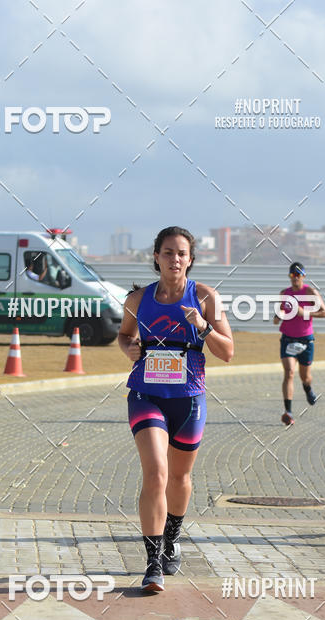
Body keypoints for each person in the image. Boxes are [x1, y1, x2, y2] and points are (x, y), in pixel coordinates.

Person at [118, 226, 233, 592]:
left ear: (191, 259)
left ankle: (173, 536)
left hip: (188, 398)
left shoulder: (205, 297)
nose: (175, 259)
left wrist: (202, 327)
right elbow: (123, 335)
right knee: (156, 473)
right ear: (156, 257)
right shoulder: (138, 299)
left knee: (180, 479)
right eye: (168, 252)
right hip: (146, 394)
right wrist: (128, 348)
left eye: (181, 253)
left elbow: (228, 351)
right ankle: (152, 563)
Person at [273, 262, 325, 426]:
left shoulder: (310, 292)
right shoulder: (285, 294)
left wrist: (304, 312)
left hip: (306, 339)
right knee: (289, 372)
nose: (295, 279)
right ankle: (288, 412)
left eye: (298, 275)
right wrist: (279, 315)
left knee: (305, 377)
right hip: (288, 338)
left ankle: (307, 388)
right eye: (292, 275)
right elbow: (277, 317)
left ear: (303, 276)